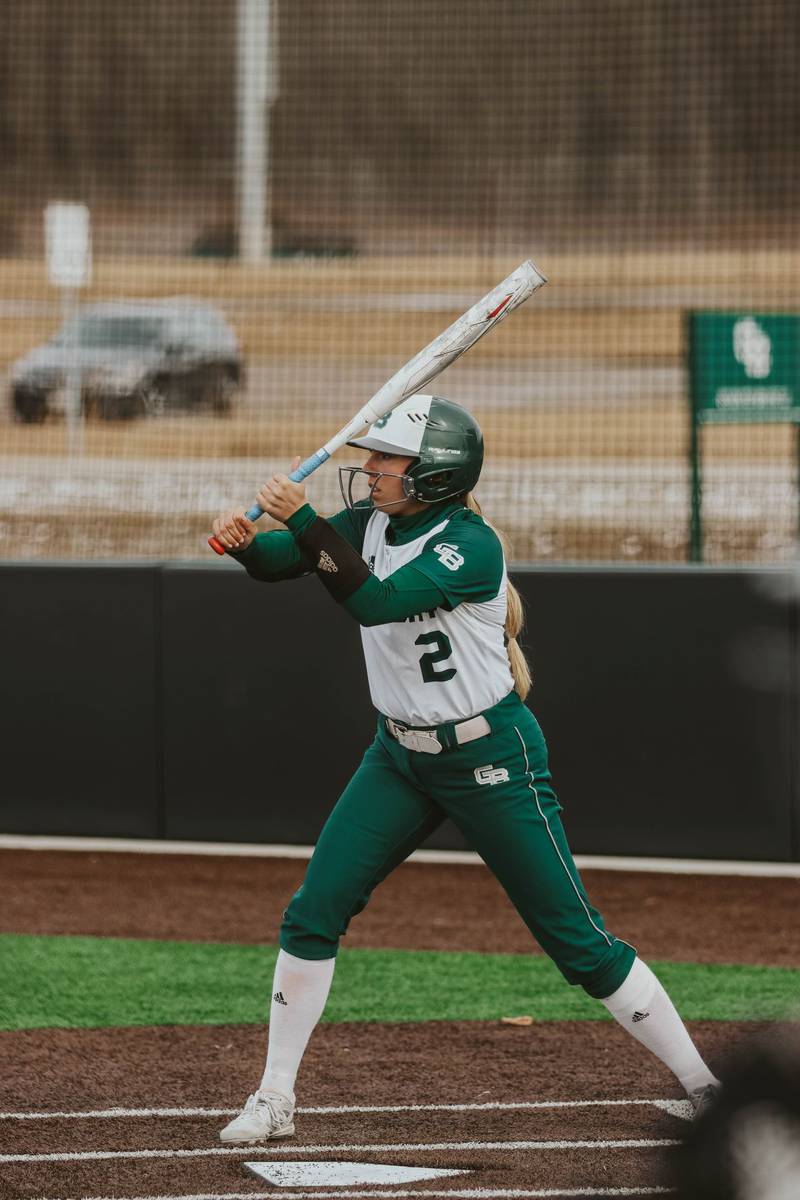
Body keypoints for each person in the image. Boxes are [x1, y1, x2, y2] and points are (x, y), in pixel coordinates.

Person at [211, 394, 720, 1145]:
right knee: (313, 912)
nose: (373, 469)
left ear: (438, 475)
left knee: (577, 943)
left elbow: (375, 602)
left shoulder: (469, 545)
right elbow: (290, 563)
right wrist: (250, 543)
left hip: (490, 757)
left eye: (391, 459)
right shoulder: (371, 523)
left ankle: (707, 1087)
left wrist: (303, 517)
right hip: (397, 756)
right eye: (376, 455)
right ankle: (274, 1097)